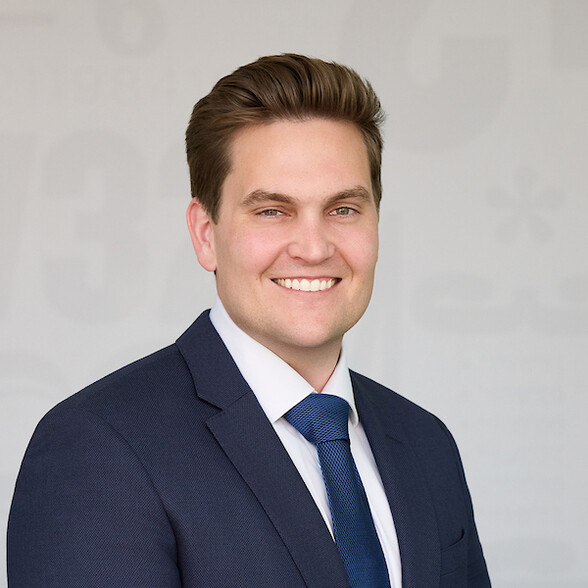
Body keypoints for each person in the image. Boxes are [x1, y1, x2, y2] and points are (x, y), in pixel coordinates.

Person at [7, 54, 491, 587]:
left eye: (343, 209)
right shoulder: (99, 449)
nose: (313, 248)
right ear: (205, 234)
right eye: (272, 211)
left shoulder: (425, 443)